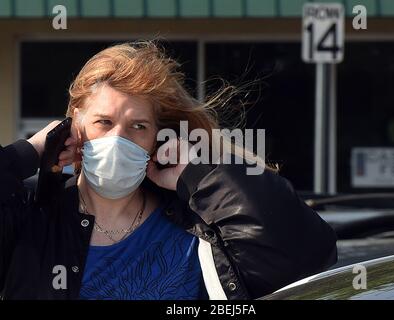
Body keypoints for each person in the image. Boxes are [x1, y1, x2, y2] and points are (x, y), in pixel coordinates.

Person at [0, 41, 337, 300]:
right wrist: (27, 153)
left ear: (158, 139)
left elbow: (308, 255)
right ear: (75, 124)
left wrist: (200, 176)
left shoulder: (198, 226)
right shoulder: (33, 221)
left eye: (138, 126)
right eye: (104, 122)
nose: (118, 138)